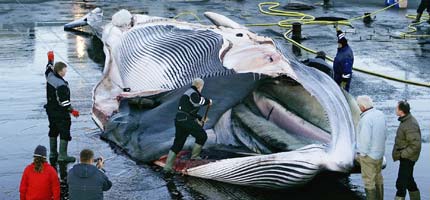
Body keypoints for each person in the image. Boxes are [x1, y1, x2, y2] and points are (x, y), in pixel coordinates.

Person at [163, 78, 213, 173]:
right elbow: (197, 101)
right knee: (202, 136)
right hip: (185, 120)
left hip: (180, 119)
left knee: (178, 143)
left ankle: (167, 168)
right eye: (202, 86)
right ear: (199, 86)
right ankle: (195, 158)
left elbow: (188, 110)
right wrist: (208, 101)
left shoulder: (188, 93)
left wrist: (200, 118)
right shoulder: (193, 93)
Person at [45, 53, 79, 163]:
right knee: (64, 131)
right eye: (65, 70)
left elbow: (48, 68)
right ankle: (63, 156)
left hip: (51, 111)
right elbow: (64, 102)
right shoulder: (61, 85)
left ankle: (53, 153)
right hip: (61, 113)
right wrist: (72, 111)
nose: (66, 72)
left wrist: (50, 60)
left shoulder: (50, 76)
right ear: (60, 72)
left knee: (53, 130)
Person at [356, 96, 386, 200]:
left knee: (369, 182)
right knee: (378, 178)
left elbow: (365, 140)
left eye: (359, 106)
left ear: (363, 107)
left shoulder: (366, 119)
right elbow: (384, 134)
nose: (358, 108)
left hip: (369, 156)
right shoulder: (380, 114)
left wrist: (362, 154)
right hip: (380, 154)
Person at [392, 100, 422, 200]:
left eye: (396, 108)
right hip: (406, 156)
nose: (395, 110)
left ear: (401, 111)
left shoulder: (410, 124)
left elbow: (415, 145)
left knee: (401, 184)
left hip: (408, 158)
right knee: (409, 180)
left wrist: (402, 154)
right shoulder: (405, 120)